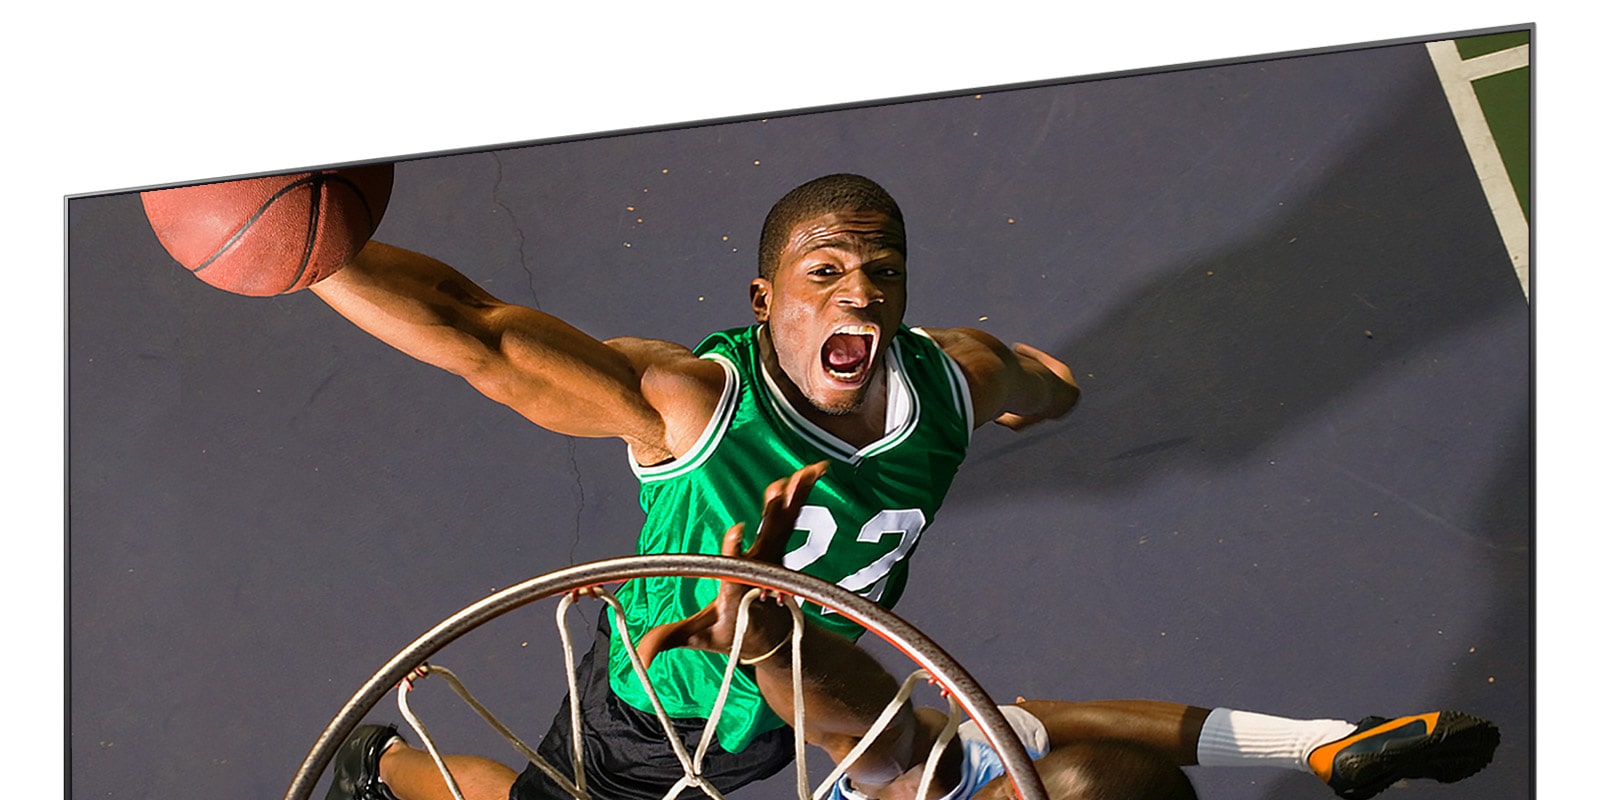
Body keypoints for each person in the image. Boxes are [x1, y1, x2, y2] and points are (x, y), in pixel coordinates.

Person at [307, 174, 1493, 799]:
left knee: (975, 742)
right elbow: (478, 332)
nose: (860, 292)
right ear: (764, 301)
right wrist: (314, 254)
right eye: (824, 270)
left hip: (809, 694)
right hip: (660, 698)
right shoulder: (689, 404)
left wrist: (1041, 390)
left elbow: (1033, 380)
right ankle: (385, 769)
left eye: (880, 271)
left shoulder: (949, 381)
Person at [331, 464, 1496, 800]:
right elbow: (886, 737)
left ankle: (380, 766)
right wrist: (765, 635)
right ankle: (379, 766)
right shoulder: (962, 769)